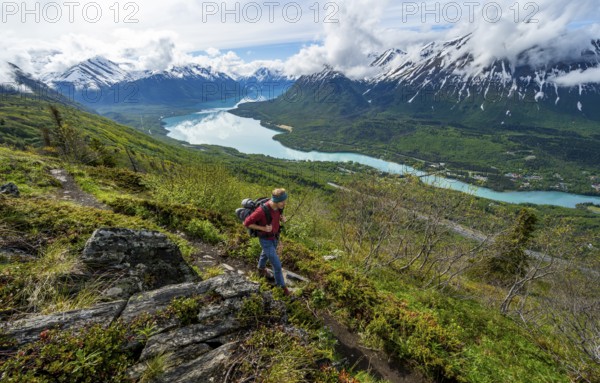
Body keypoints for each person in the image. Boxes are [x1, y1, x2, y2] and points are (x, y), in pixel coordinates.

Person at [243, 188, 290, 295]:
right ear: (276, 201)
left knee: (265, 253)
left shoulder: (278, 207)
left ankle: (261, 269)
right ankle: (282, 288)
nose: (284, 203)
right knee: (277, 266)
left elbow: (275, 217)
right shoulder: (261, 211)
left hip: (275, 236)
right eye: (283, 201)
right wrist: (263, 228)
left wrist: (282, 218)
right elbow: (246, 223)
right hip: (265, 239)